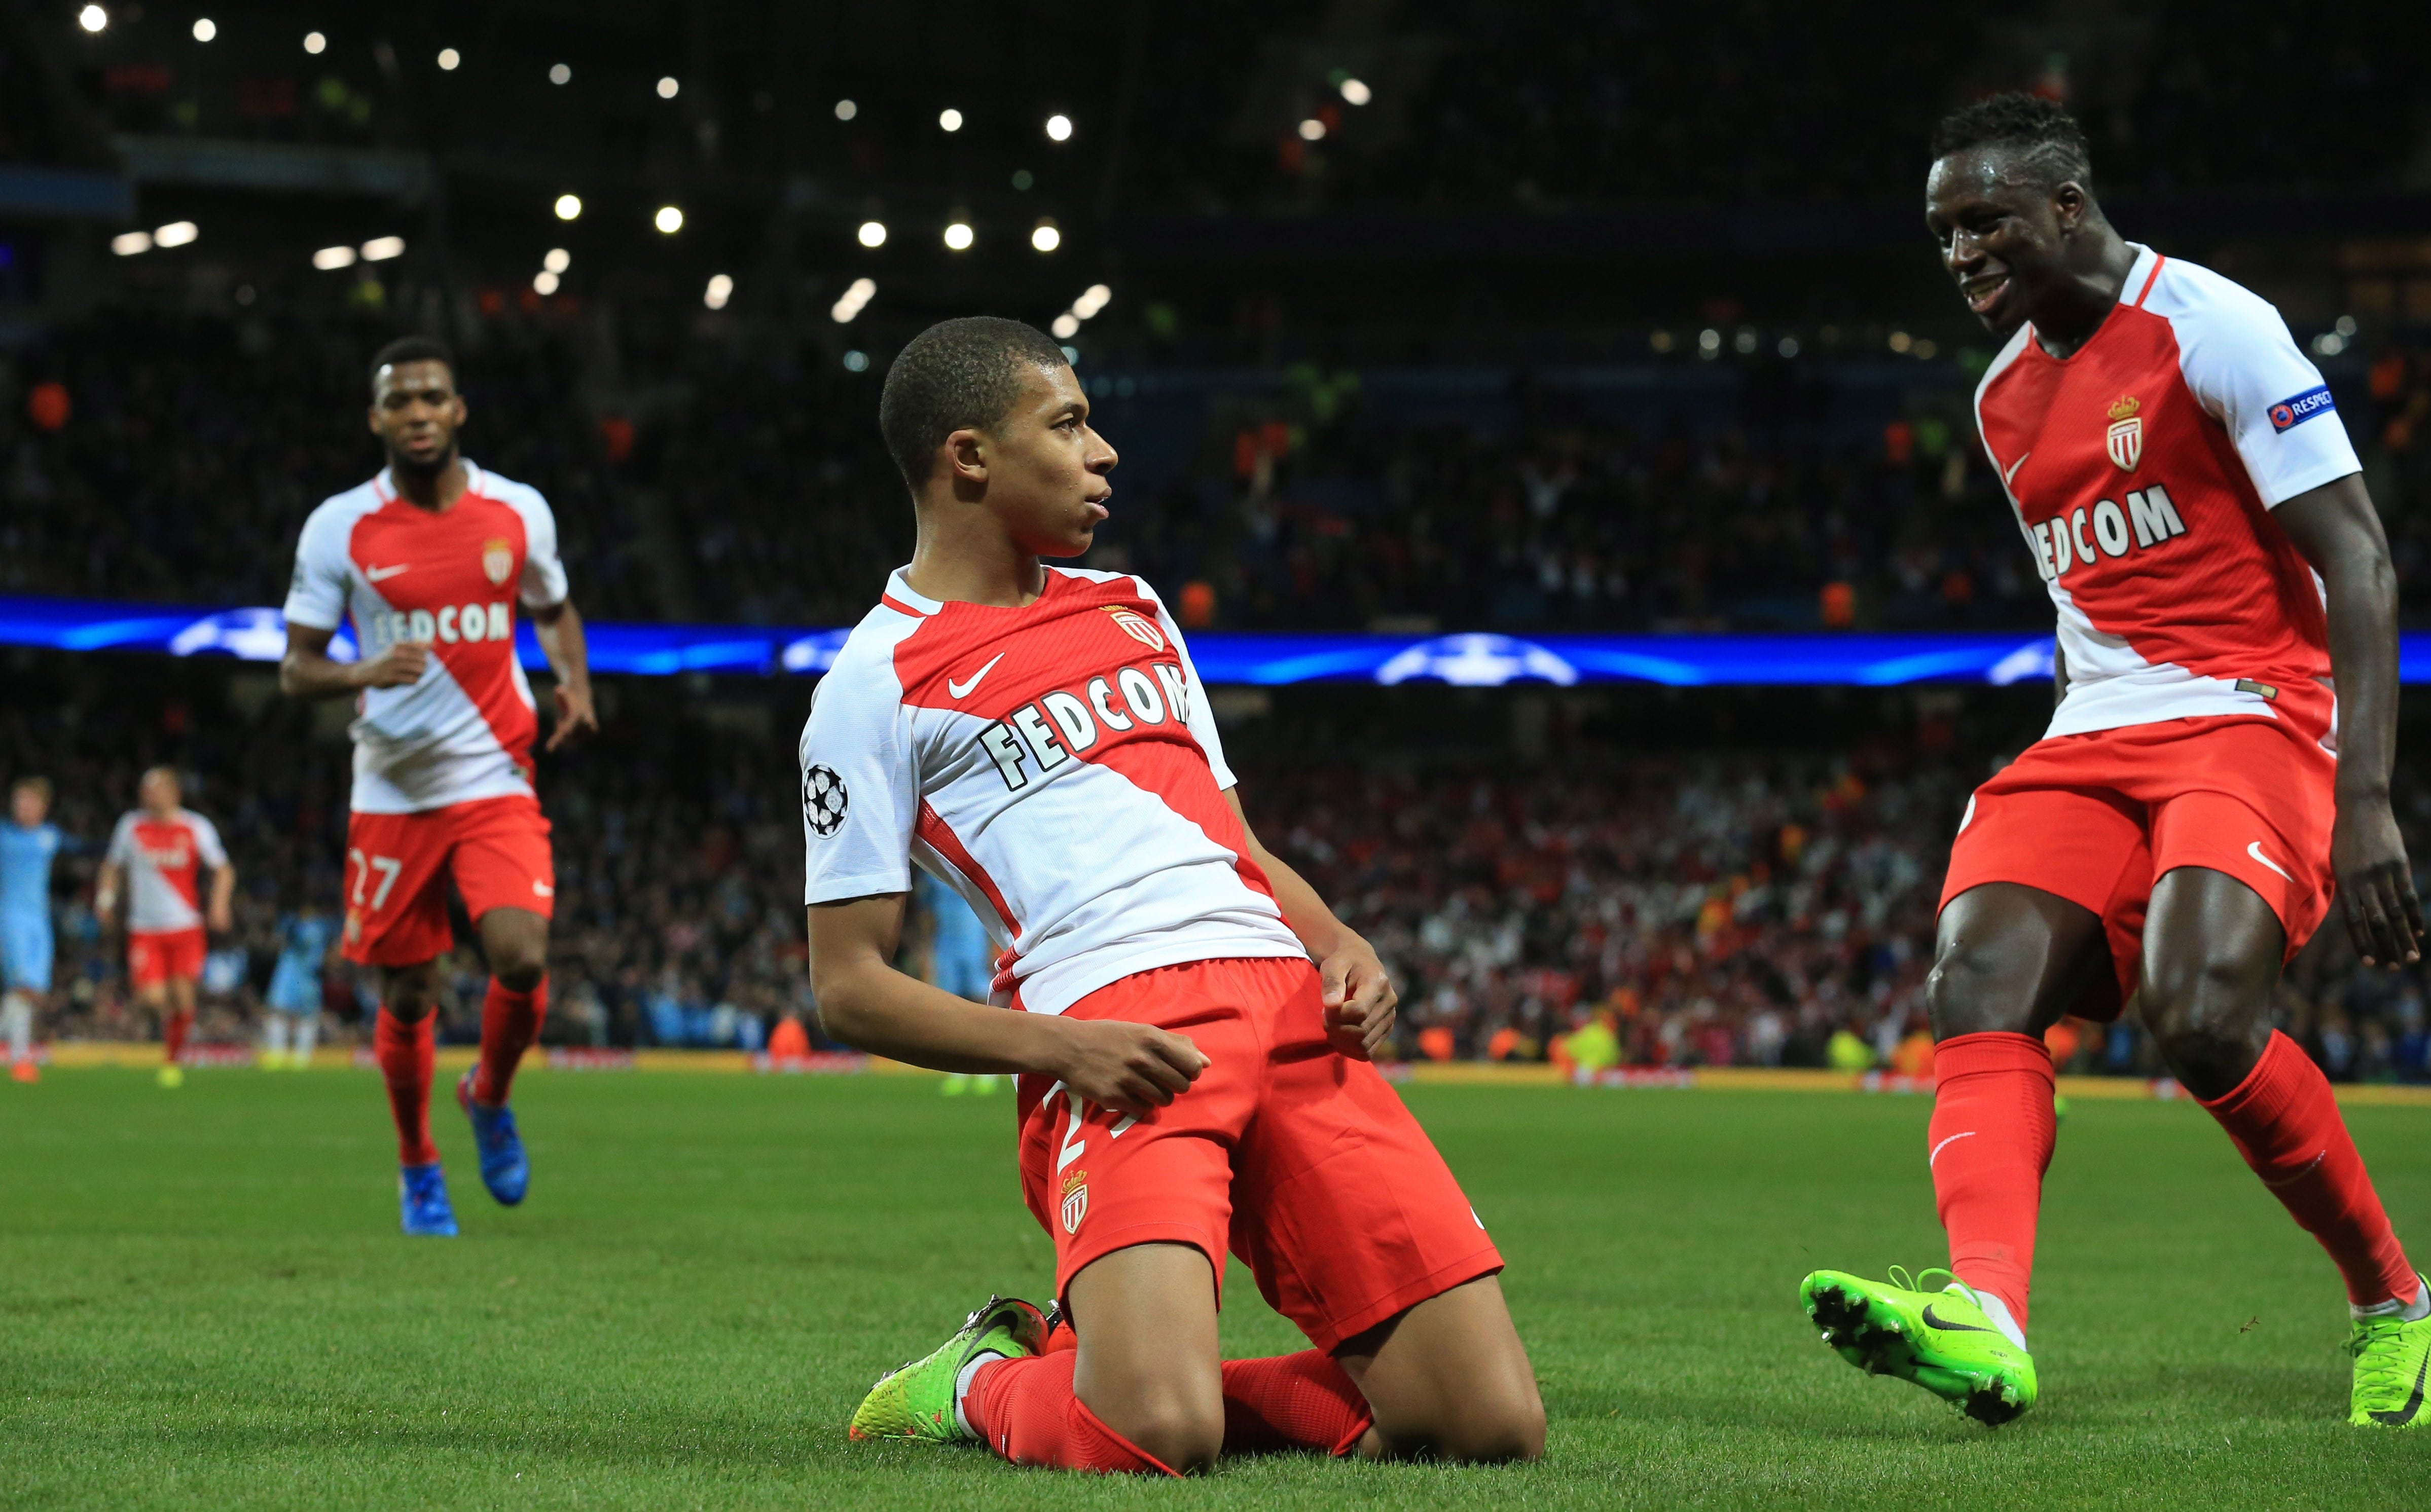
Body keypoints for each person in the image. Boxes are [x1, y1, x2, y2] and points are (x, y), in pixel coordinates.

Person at [808, 317, 1543, 1476]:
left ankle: (1145, 1378)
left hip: (1295, 1016)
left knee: (1487, 1428)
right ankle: (982, 1383)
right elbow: (848, 987)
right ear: (968, 458)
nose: (1102, 451)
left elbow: (1234, 838)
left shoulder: (1134, 606)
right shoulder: (869, 685)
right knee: (1155, 1433)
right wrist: (1063, 1052)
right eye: (1068, 424)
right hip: (1123, 1036)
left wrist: (1343, 940)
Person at [1801, 94, 2429, 1430]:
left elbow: (2360, 560)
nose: (1960, 253)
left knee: (2197, 1015)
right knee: (1974, 975)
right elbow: (2082, 609)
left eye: (1984, 222)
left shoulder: (2216, 328)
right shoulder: (1997, 398)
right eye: (1941, 232)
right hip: (2095, 726)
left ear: (2065, 209)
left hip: (2253, 710)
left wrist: (2366, 798)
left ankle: (2396, 1302)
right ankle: (1989, 1320)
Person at [278, 335, 597, 1237]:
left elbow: (554, 607)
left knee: (523, 956)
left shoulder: (516, 510)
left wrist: (571, 677)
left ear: (458, 410)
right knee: (410, 994)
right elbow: (296, 670)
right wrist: (360, 671)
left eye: (432, 398)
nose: (417, 413)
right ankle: (419, 1162)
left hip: (494, 766)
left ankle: (488, 1094)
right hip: (390, 788)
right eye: (399, 401)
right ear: (376, 417)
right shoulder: (339, 526)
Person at [96, 768, 234, 1089]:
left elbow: (224, 869)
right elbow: (112, 866)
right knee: (152, 997)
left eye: (155, 789)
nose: (148, 796)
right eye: (145, 790)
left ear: (174, 793)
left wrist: (219, 904)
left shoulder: (195, 826)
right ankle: (160, 1029)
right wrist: (105, 900)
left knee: (184, 999)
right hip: (144, 929)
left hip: (185, 926)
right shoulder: (131, 826)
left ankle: (172, 1061)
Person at [914, 869, 1001, 1094]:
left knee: (982, 1005)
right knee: (950, 1008)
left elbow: (993, 907)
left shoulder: (972, 862)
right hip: (945, 945)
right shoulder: (931, 871)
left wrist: (993, 946)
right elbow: (927, 912)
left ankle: (989, 1070)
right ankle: (958, 1072)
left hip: (974, 943)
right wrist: (926, 950)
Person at [2, 777, 64, 1082]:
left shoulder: (51, 837)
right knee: (23, 986)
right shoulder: (3, 836)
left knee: (35, 993)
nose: (23, 807)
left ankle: (19, 1056)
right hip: (10, 917)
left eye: (29, 801)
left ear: (43, 807)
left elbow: (87, 849)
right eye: (19, 800)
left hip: (40, 920)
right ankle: (19, 1058)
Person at [262, 901, 339, 1070]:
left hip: (292, 975)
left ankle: (278, 1055)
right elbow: (333, 951)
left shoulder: (293, 924)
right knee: (307, 1016)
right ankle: (301, 1058)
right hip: (309, 975)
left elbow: (279, 940)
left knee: (282, 1013)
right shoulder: (325, 927)